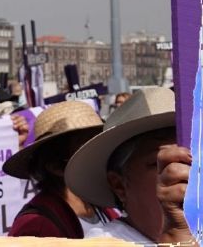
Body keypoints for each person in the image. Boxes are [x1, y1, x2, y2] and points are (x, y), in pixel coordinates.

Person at [65, 87, 195, 244]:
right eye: (160, 163)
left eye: (196, 157)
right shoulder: (103, 243)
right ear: (119, 185)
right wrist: (177, 235)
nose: (185, 170)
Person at [3, 101, 107, 238]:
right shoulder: (35, 228)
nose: (103, 154)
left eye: (101, 143)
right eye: (88, 148)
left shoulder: (104, 206)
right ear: (56, 167)